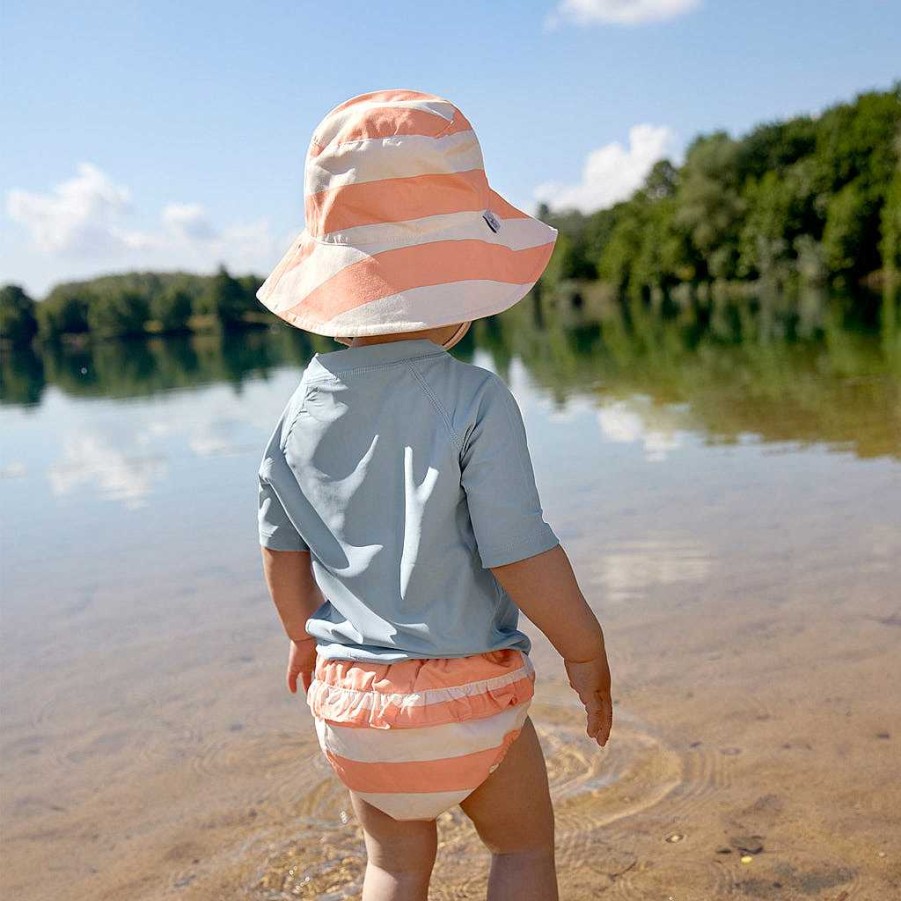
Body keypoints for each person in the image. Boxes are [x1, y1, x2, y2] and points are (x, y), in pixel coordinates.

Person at [256, 89, 612, 901]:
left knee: (391, 865)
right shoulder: (475, 399)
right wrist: (583, 648)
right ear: (462, 290)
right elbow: (518, 549)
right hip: (463, 696)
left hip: (352, 707)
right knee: (522, 849)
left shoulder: (294, 416)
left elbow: (282, 554)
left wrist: (301, 637)